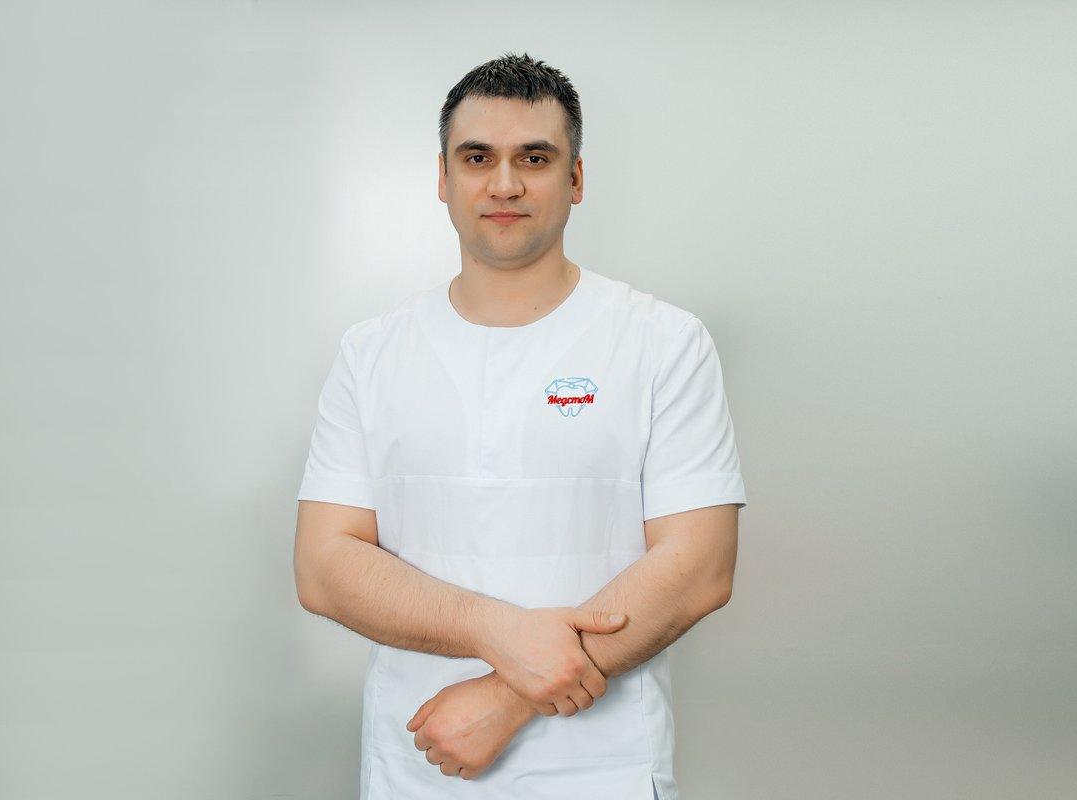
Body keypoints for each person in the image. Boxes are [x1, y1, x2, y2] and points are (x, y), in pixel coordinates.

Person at [294, 52, 747, 800]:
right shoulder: (371, 353)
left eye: (534, 158)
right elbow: (324, 566)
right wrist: (494, 630)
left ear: (576, 178)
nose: (504, 184)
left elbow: (699, 567)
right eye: (478, 158)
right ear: (444, 179)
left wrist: (509, 698)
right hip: (417, 768)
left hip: (604, 772)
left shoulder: (663, 343)